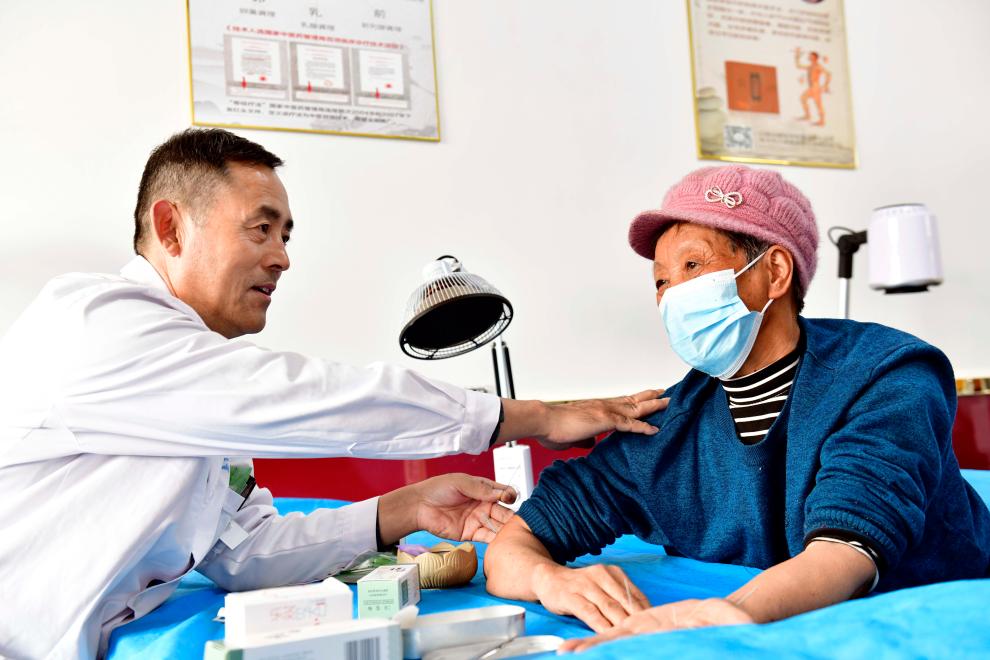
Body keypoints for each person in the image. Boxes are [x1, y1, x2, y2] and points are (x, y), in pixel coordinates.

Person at [0, 128, 666, 660]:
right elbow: (310, 398)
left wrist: (407, 508)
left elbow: (248, 554)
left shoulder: (193, 390)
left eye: (286, 235)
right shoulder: (97, 324)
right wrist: (536, 417)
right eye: (260, 229)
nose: (282, 257)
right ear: (171, 227)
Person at [484, 164, 990, 652]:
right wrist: (547, 579)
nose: (672, 296)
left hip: (931, 628)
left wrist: (716, 617)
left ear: (774, 271)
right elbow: (516, 542)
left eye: (692, 266)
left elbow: (848, 550)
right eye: (660, 281)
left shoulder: (885, 375)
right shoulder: (664, 427)